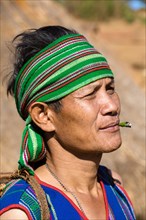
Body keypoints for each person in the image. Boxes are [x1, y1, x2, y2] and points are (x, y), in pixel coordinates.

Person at [0, 25, 135, 220]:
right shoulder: (23, 211)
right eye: (90, 94)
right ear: (44, 116)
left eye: (111, 88)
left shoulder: (115, 188)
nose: (111, 105)